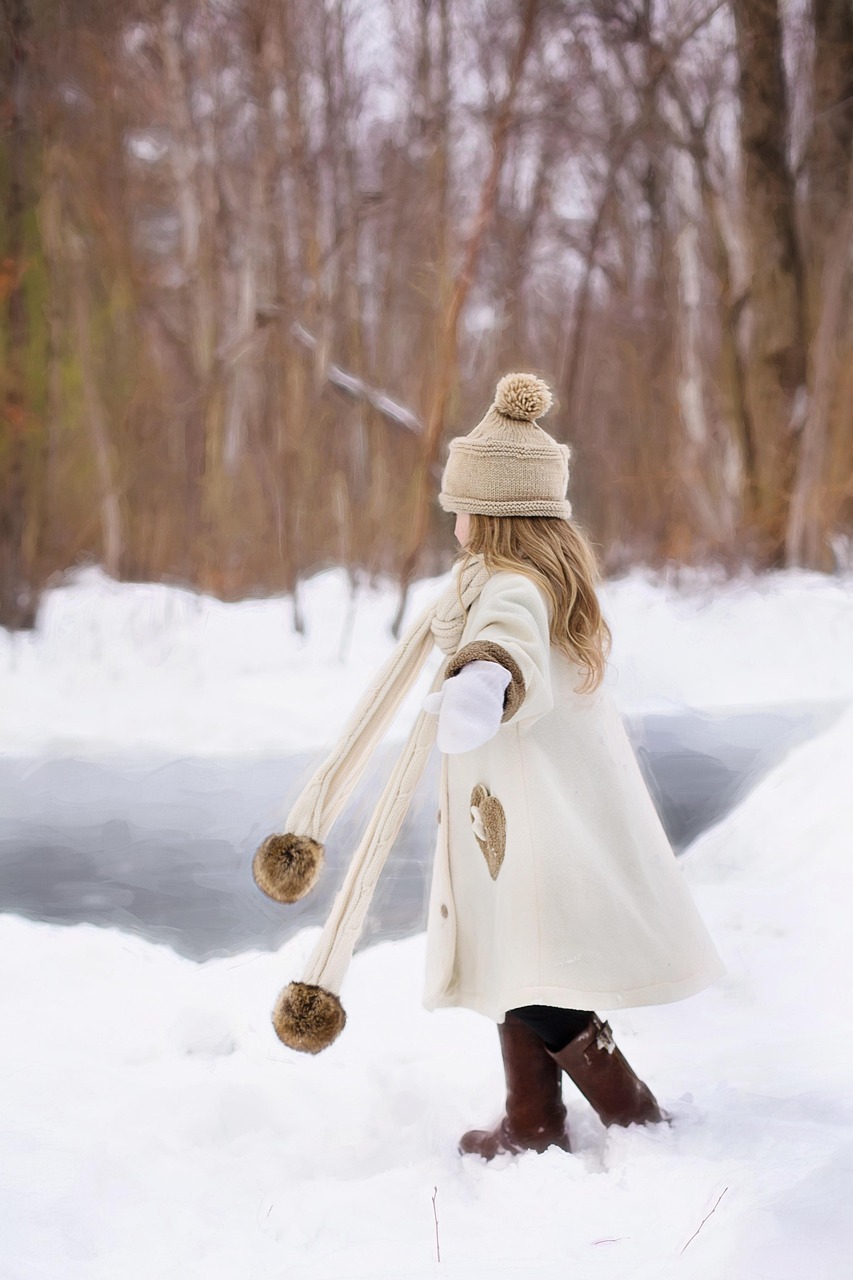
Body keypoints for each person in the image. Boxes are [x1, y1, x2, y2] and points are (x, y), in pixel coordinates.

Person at [252, 372, 724, 1163]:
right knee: (521, 961)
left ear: (500, 516)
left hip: (531, 822)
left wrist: (480, 682)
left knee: (536, 980)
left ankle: (628, 1108)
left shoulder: (511, 584)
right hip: (527, 812)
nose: (456, 523)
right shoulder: (532, 579)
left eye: (463, 508)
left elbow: (504, 643)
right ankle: (532, 1120)